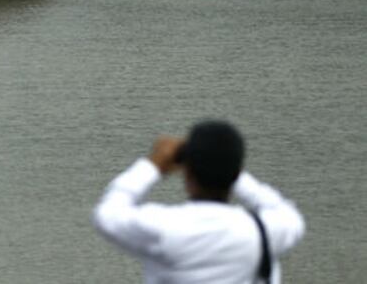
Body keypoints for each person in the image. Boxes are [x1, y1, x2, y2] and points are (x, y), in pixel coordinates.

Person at [94, 120, 304, 283]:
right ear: (236, 171)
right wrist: (227, 167)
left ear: (188, 174)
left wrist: (154, 165)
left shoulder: (163, 227)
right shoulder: (263, 231)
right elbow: (287, 213)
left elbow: (108, 213)